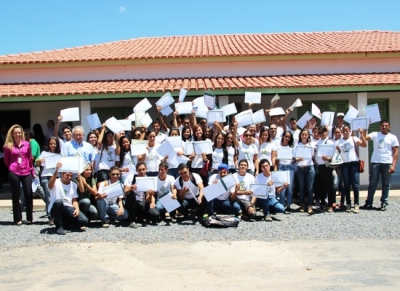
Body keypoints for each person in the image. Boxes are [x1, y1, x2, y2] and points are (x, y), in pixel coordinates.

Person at [363, 119, 399, 211]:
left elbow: (395, 152)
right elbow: (365, 138)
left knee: (386, 184)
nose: (384, 127)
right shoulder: (375, 134)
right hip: (375, 162)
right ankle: (369, 203)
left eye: (386, 125)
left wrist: (394, 165)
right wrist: (364, 128)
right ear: (380, 126)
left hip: (387, 162)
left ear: (389, 127)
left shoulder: (393, 137)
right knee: (372, 183)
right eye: (382, 125)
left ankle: (384, 203)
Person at [3, 125, 35, 225]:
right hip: (14, 171)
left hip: (26, 171)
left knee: (28, 193)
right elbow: (6, 160)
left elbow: (29, 158)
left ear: (22, 133)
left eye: (19, 132)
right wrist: (12, 167)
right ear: (12, 134)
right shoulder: (8, 146)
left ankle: (29, 218)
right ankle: (17, 218)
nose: (18, 134)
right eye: (15, 133)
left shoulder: (27, 144)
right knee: (16, 195)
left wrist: (32, 170)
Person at [48, 163, 88, 235]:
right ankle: (59, 226)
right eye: (67, 175)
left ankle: (66, 223)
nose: (69, 177)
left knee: (84, 221)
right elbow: (49, 185)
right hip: (57, 207)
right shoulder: (56, 182)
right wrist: (56, 170)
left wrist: (77, 209)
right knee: (59, 202)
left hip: (68, 207)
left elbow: (74, 200)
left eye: (71, 176)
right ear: (62, 174)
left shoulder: (73, 185)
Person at [336, 127, 367, 213]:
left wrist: (362, 134)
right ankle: (348, 203)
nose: (345, 132)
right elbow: (337, 155)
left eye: (347, 131)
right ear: (342, 132)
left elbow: (364, 145)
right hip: (344, 164)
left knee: (355, 184)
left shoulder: (354, 138)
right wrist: (337, 167)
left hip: (354, 163)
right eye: (344, 131)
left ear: (350, 131)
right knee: (346, 184)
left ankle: (356, 204)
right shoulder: (338, 142)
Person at [124, 162, 160, 228]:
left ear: (146, 169)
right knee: (131, 195)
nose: (142, 171)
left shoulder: (149, 180)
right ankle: (131, 221)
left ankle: (140, 218)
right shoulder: (131, 177)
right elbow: (125, 191)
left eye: (143, 169)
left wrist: (150, 194)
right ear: (136, 170)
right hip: (132, 202)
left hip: (142, 203)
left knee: (156, 214)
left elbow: (148, 200)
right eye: (140, 170)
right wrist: (131, 188)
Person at [35, 136, 61, 225]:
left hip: (57, 177)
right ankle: (50, 217)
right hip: (46, 177)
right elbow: (37, 162)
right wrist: (39, 160)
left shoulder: (60, 154)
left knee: (57, 197)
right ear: (48, 144)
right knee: (49, 198)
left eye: (54, 143)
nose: (52, 145)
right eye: (51, 144)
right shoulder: (44, 153)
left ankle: (58, 216)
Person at [314, 126, 336, 212]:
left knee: (329, 185)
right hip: (319, 166)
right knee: (320, 186)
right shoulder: (318, 142)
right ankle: (323, 203)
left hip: (326, 166)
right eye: (320, 132)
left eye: (323, 132)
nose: (321, 134)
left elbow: (333, 156)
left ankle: (330, 204)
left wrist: (327, 158)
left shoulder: (330, 142)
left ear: (327, 132)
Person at [294, 129, 315, 214]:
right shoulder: (297, 145)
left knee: (310, 188)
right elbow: (293, 157)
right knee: (301, 187)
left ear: (308, 136)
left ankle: (309, 205)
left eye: (306, 135)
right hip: (300, 168)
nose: (304, 136)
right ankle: (302, 204)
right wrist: (297, 159)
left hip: (309, 167)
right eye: (303, 134)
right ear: (300, 135)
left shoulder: (311, 145)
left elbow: (313, 155)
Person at [24, 128, 45, 201]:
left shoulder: (33, 143)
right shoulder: (29, 143)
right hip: (30, 167)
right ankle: (24, 204)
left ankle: (48, 200)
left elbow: (32, 157)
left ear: (28, 135)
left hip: (34, 167)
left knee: (36, 186)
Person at [276, 131, 295, 211]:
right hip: (281, 167)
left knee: (290, 187)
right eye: (286, 136)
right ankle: (281, 204)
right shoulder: (278, 147)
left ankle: (289, 205)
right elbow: (276, 159)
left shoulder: (292, 147)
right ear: (283, 136)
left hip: (290, 167)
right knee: (282, 187)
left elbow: (294, 159)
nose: (287, 138)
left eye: (289, 137)